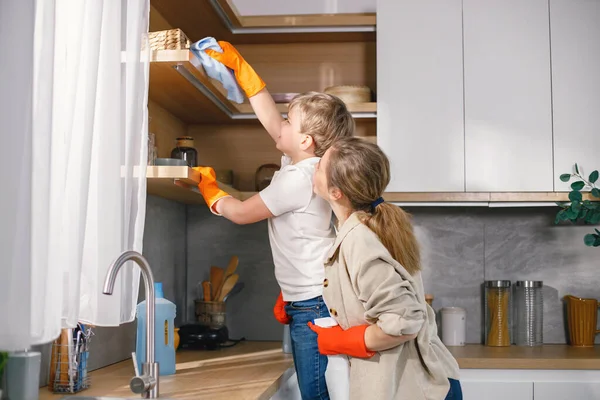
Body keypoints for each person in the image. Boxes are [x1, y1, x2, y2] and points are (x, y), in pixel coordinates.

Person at [195, 41, 356, 400]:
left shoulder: (297, 180)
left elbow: (238, 213)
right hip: (315, 298)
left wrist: (208, 190)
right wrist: (243, 71)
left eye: (288, 120)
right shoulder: (305, 165)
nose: (279, 125)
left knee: (316, 394)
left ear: (305, 140)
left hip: (314, 305)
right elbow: (271, 121)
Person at [308, 137, 463, 400]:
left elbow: (404, 322)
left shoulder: (360, 238)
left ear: (336, 192)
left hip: (415, 390)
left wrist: (343, 342)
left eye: (320, 166)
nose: (314, 168)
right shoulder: (367, 226)